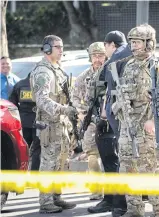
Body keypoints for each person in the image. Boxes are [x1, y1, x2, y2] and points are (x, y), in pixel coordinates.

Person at [112, 23, 159, 217]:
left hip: (147, 124)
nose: (133, 46)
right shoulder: (128, 65)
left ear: (149, 43)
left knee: (150, 168)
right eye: (132, 42)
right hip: (128, 124)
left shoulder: (157, 65)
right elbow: (122, 93)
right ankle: (134, 209)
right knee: (127, 167)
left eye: (138, 42)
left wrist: (153, 119)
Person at [30, 35, 77, 213]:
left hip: (60, 123)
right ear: (47, 49)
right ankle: (45, 201)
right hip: (49, 124)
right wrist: (64, 110)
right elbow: (42, 100)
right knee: (48, 162)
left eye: (62, 46)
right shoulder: (43, 71)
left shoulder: (57, 69)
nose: (61, 50)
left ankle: (56, 197)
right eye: (58, 47)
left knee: (61, 161)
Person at [87, 31, 130, 216]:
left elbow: (108, 90)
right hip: (125, 119)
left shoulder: (116, 58)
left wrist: (103, 116)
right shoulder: (130, 55)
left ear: (110, 44)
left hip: (113, 119)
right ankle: (116, 201)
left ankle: (115, 202)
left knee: (112, 161)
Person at [72, 42, 107, 200]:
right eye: (95, 56)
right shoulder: (83, 77)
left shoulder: (110, 73)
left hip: (109, 121)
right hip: (90, 121)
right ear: (90, 57)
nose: (98, 59)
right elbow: (75, 97)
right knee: (92, 155)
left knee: (112, 156)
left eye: (100, 55)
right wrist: (81, 112)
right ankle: (96, 189)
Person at [9, 72, 41, 171]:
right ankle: (34, 175)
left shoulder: (19, 85)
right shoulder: (41, 85)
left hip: (23, 122)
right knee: (37, 150)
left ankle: (20, 172)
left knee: (22, 150)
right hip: (38, 122)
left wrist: (21, 113)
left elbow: (12, 104)